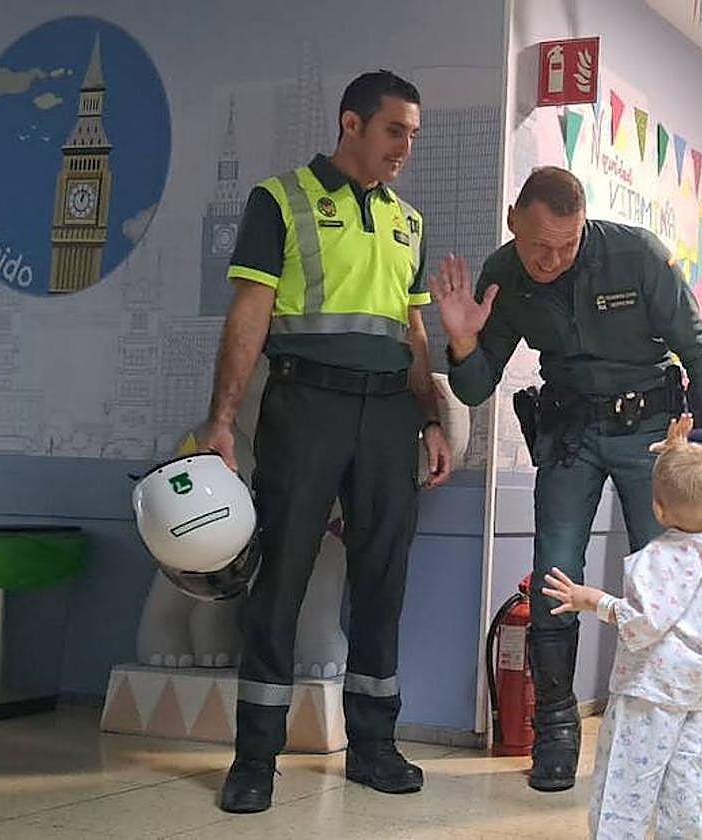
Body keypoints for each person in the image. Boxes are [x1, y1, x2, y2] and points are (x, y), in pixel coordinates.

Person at [431, 166, 702, 791]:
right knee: (554, 574)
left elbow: (699, 345)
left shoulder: (634, 254)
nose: (552, 260)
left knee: (673, 580)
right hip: (571, 433)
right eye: (540, 245)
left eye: (567, 246)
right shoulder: (504, 273)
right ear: (515, 219)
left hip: (651, 431)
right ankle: (555, 733)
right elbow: (473, 388)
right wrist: (463, 343)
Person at [204, 69, 453, 814]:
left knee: (383, 582)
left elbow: (414, 336)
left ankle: (374, 745)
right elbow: (249, 315)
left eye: (412, 133)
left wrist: (433, 416)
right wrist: (222, 419)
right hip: (304, 405)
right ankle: (255, 758)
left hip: (388, 419)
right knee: (280, 576)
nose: (405, 146)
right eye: (393, 130)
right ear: (352, 124)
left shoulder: (409, 221)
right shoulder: (279, 201)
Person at [543, 413, 702, 839]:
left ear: (658, 509)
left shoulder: (667, 557)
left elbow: (642, 623)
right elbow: (698, 491)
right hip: (696, 685)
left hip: (651, 687)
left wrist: (590, 599)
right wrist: (678, 452)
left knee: (627, 779)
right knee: (686, 774)